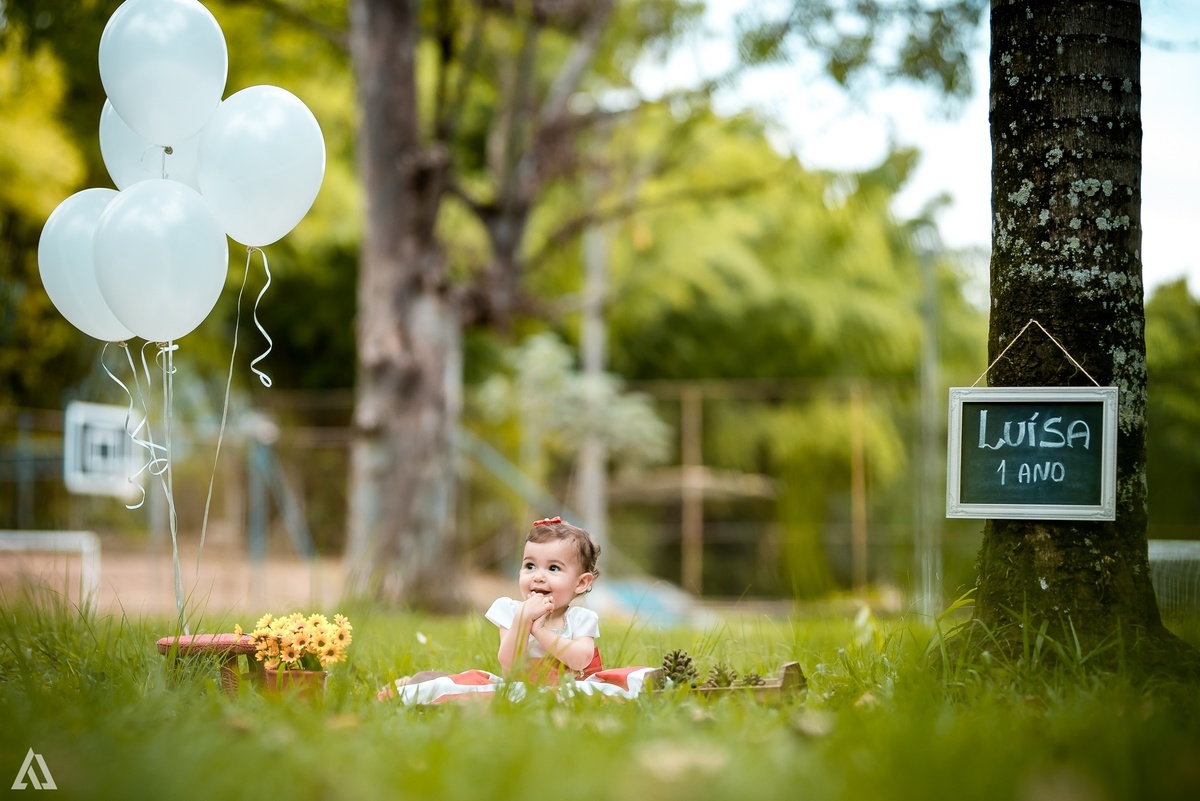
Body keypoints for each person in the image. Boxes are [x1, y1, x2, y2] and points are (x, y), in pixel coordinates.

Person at [486, 515, 603, 682]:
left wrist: (540, 631)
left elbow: (580, 661)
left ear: (581, 582)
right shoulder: (511, 611)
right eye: (530, 566)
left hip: (567, 691)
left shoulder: (580, 619)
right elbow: (509, 662)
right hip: (520, 690)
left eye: (553, 568)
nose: (538, 577)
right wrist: (523, 618)